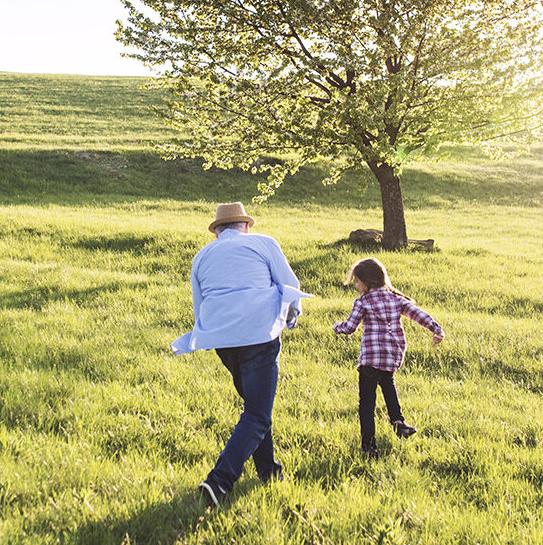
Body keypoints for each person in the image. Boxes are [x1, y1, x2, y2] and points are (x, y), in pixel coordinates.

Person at [172, 202, 311, 508]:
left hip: (223, 341)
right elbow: (290, 284)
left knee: (255, 409)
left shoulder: (201, 257)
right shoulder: (263, 243)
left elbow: (199, 306)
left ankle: (268, 471)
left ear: (217, 231)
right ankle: (219, 481)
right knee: (258, 414)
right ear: (246, 226)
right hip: (259, 335)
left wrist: (210, 336)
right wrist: (291, 316)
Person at [334, 257, 444, 457]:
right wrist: (436, 329)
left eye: (357, 282)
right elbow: (418, 314)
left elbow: (350, 328)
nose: (357, 286)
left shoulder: (363, 302)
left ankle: (369, 447)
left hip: (370, 359)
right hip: (391, 356)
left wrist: (337, 327)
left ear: (367, 281)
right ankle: (398, 423)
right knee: (388, 384)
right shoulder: (396, 299)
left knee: (366, 404)